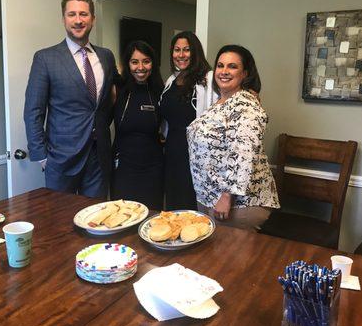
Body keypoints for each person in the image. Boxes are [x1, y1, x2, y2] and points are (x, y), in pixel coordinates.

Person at [24, 0, 118, 198]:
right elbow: (33, 111)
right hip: (60, 159)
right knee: (58, 222)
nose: (78, 20)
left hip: (98, 158)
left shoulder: (106, 56)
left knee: (97, 219)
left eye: (83, 14)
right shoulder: (45, 59)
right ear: (63, 19)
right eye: (72, 14)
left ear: (92, 19)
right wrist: (42, 157)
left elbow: (109, 103)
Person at [186, 44, 280, 230]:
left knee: (231, 259)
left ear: (245, 73)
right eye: (220, 65)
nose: (224, 71)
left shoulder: (246, 106)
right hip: (211, 197)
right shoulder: (222, 102)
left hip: (237, 205)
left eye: (232, 66)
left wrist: (227, 195)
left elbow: (244, 153)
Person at [159, 31, 216, 210]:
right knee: (174, 200)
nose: (181, 55)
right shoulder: (171, 80)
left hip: (196, 152)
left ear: (195, 52)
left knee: (192, 202)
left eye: (186, 50)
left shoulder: (209, 79)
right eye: (177, 50)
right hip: (172, 149)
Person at [111, 41, 164, 209]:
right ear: (127, 64)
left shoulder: (160, 91)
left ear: (153, 64)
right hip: (123, 168)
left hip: (153, 169)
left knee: (150, 218)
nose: (140, 67)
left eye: (146, 61)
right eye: (134, 62)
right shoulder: (117, 89)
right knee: (122, 217)